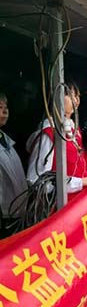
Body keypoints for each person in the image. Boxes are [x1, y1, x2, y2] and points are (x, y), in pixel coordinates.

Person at [27, 92, 87, 196]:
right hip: (61, 203)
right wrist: (78, 183)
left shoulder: (74, 130)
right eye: (71, 95)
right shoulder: (48, 134)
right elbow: (36, 180)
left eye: (77, 95)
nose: (76, 99)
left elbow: (78, 164)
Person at [0, 92, 28, 227]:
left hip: (15, 212)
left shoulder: (6, 140)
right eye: (0, 107)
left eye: (6, 107)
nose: (5, 111)